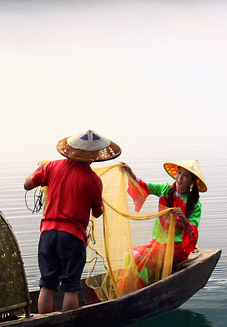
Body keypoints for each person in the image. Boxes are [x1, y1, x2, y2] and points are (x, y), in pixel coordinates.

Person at [23, 129, 120, 314]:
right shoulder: (93, 180)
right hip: (72, 237)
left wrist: (38, 169)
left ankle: (44, 326)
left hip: (47, 234)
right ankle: (67, 324)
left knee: (47, 284)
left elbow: (27, 184)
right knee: (71, 286)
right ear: (94, 156)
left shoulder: (52, 167)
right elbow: (97, 212)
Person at [119, 158, 207, 288]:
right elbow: (144, 186)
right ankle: (133, 287)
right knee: (130, 255)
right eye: (179, 173)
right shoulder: (165, 189)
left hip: (176, 249)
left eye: (185, 176)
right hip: (157, 244)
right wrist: (129, 172)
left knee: (135, 256)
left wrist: (183, 217)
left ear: (192, 181)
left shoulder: (195, 205)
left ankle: (134, 287)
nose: (180, 178)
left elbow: (192, 232)